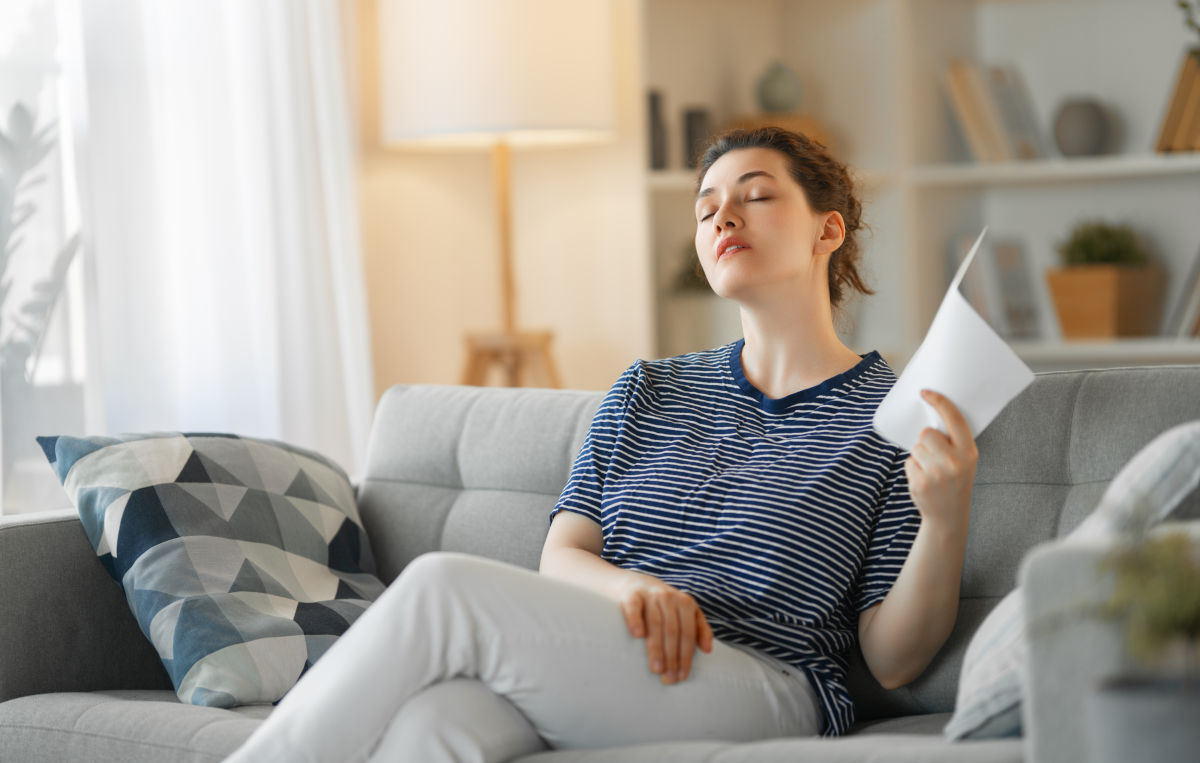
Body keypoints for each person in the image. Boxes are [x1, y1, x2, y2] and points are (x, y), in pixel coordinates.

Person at [226, 127, 978, 763]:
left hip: (767, 680)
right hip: (609, 646)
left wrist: (943, 519)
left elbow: (892, 657)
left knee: (441, 588)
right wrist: (633, 588)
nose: (724, 217)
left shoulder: (893, 414)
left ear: (828, 229)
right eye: (706, 206)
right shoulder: (647, 389)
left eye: (755, 195)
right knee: (439, 721)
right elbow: (565, 553)